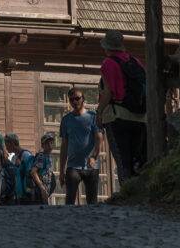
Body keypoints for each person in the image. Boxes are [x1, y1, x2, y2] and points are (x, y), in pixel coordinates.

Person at [96, 30, 147, 183]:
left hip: (117, 116)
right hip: (140, 117)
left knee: (123, 159)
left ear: (107, 47)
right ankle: (139, 191)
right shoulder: (135, 61)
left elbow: (109, 92)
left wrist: (99, 113)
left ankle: (127, 193)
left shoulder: (108, 63)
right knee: (138, 158)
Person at [60, 87, 101, 205]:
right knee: (69, 201)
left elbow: (99, 139)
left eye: (77, 98)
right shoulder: (66, 120)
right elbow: (64, 146)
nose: (74, 102)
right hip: (73, 166)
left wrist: (94, 156)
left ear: (83, 99)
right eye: (71, 99)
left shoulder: (93, 117)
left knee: (92, 202)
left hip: (91, 166)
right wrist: (62, 171)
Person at [2, 133, 34, 206]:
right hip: (18, 194)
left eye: (7, 144)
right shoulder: (14, 157)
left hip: (26, 194)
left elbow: (30, 175)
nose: (6, 147)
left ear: (12, 143)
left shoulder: (26, 155)